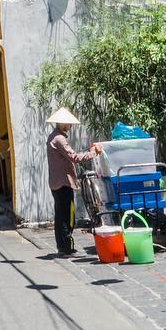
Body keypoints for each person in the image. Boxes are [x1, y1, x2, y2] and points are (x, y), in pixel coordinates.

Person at [46, 108, 98, 257]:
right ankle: (66, 248)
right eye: (69, 123)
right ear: (63, 123)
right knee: (67, 217)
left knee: (60, 215)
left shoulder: (54, 137)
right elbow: (74, 157)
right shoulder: (59, 139)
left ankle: (62, 247)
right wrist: (93, 153)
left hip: (57, 182)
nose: (70, 126)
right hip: (63, 183)